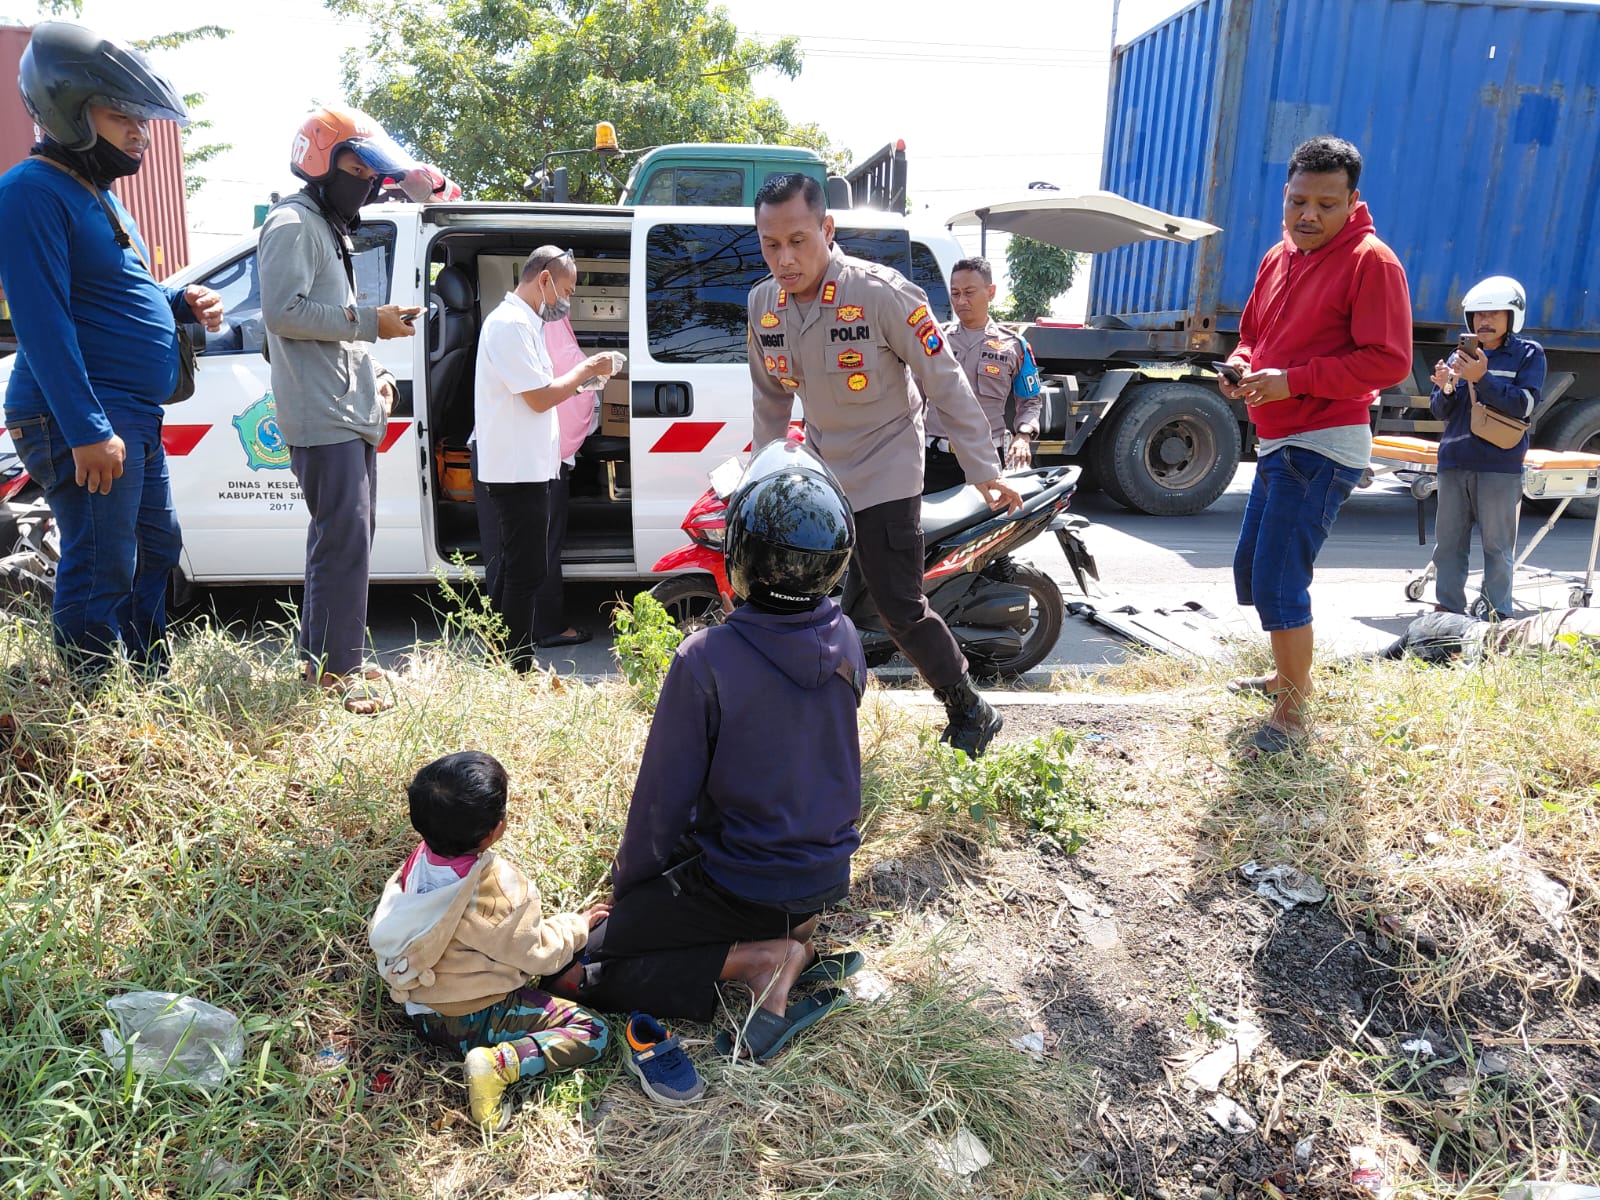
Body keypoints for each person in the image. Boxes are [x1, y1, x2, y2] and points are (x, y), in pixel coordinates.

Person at [569, 442, 867, 1062]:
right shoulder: (846, 636)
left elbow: (660, 808)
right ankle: (797, 938)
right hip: (823, 878)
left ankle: (765, 962)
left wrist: (628, 897)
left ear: (740, 559)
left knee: (583, 965)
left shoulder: (706, 657)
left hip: (744, 881)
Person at [747, 174, 1024, 756]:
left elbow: (944, 381)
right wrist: (763, 478)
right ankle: (812, 721)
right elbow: (771, 400)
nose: (785, 258)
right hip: (821, 471)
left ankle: (968, 705)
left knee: (899, 607)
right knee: (802, 600)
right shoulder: (763, 305)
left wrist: (984, 467)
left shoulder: (881, 293)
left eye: (798, 240)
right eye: (771, 245)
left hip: (888, 466)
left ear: (826, 228)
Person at [0, 23, 224, 679]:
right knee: (104, 563)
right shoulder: (30, 192)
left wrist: (178, 305)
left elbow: (110, 293)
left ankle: (144, 682)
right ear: (70, 109)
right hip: (84, 411)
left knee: (158, 548)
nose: (140, 132)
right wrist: (87, 429)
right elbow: (42, 323)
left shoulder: (101, 194)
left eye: (143, 120)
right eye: (121, 115)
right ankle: (92, 705)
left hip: (131, 410)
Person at [368, 751, 703, 1128]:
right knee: (594, 1033)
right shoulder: (496, 888)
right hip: (470, 1017)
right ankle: (497, 1066)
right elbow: (538, 954)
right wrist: (576, 926)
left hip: (420, 1011)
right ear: (494, 829)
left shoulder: (418, 859)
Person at [1217, 135, 1412, 757]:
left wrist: (1292, 381)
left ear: (1352, 200)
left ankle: (1293, 717)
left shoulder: (1371, 261)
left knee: (1278, 577)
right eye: (1298, 201)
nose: (1309, 215)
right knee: (1252, 569)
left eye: (1326, 205)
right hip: (1277, 437)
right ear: (1285, 196)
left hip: (1324, 440)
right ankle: (1284, 676)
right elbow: (1253, 335)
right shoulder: (1279, 256)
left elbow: (1388, 360)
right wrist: (1239, 366)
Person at [259, 106, 422, 713]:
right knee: (343, 541)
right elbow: (282, 312)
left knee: (348, 538)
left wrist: (376, 373)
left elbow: (334, 328)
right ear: (320, 163)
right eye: (357, 168)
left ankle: (335, 661)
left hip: (346, 409)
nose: (370, 182)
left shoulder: (327, 226)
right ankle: (332, 676)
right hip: (321, 415)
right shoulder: (294, 223)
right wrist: (370, 323)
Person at [473, 248, 616, 671]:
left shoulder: (525, 324)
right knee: (525, 572)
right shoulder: (509, 325)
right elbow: (539, 398)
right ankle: (516, 665)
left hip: (528, 466)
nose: (566, 301)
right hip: (516, 470)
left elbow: (542, 390)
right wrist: (586, 370)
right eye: (566, 291)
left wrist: (578, 380)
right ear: (544, 281)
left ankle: (500, 658)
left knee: (519, 567)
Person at [1428, 276, 1546, 620]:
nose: (1485, 321)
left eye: (1495, 313)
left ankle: (1497, 615)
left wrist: (1482, 377)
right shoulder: (1458, 354)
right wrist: (1446, 388)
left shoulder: (1528, 354)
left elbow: (1524, 406)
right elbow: (1441, 411)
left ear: (1513, 317)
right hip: (1453, 461)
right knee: (1448, 545)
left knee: (1497, 547)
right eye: (1479, 314)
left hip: (1499, 464)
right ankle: (1447, 611)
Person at [922, 256, 1044, 493]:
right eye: (955, 293)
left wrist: (1023, 435)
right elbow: (913, 396)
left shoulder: (1014, 345)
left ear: (991, 292)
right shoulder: (936, 339)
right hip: (935, 459)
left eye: (969, 292)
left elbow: (1030, 400)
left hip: (987, 458)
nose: (961, 301)